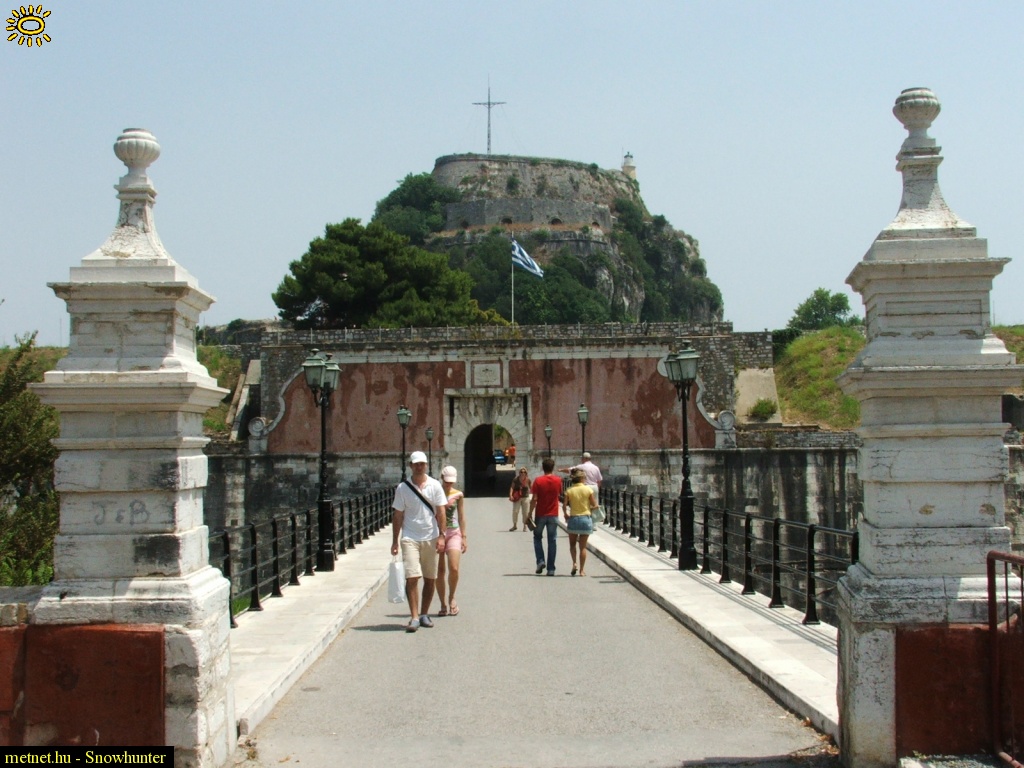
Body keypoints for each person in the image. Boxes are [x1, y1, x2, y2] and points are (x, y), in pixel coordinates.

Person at [391, 451, 447, 632]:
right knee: (412, 577)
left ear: (426, 465)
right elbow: (398, 515)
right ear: (411, 466)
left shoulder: (435, 485)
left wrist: (442, 536)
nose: (419, 467)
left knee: (430, 578)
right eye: (416, 464)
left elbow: (441, 512)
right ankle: (414, 616)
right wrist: (395, 541)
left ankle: (424, 613)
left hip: (431, 536)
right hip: (410, 537)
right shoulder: (402, 488)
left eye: (422, 464)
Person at [436, 465, 466, 617]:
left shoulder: (458, 494)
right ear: (442, 478)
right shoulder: (435, 492)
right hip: (437, 533)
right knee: (440, 571)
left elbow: (461, 516)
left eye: (451, 482)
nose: (448, 484)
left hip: (454, 532)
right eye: (446, 481)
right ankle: (442, 603)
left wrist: (464, 537)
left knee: (454, 568)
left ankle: (452, 597)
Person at [527, 457, 563, 576]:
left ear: (543, 468)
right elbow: (559, 494)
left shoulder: (538, 481)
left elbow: (534, 499)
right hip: (553, 514)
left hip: (540, 514)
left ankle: (540, 561)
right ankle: (551, 568)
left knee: (537, 537)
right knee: (552, 540)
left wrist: (529, 513)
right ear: (553, 467)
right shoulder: (558, 480)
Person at [562, 468, 598, 576]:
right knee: (583, 547)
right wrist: (590, 509)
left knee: (572, 545)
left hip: (573, 518)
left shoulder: (569, 490)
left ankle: (574, 563)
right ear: (582, 478)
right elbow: (595, 505)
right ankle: (582, 570)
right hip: (585, 519)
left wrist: (565, 514)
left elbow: (564, 505)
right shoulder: (588, 490)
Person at [508, 467, 532, 531]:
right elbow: (512, 487)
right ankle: (515, 525)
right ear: (519, 473)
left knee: (525, 512)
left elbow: (531, 488)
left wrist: (533, 496)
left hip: (525, 497)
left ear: (526, 473)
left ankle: (525, 526)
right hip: (517, 497)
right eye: (521, 472)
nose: (523, 473)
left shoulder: (528, 480)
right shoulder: (516, 479)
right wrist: (510, 495)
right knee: (515, 511)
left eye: (524, 472)